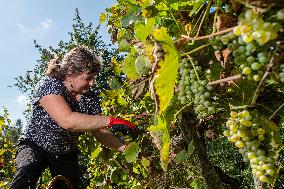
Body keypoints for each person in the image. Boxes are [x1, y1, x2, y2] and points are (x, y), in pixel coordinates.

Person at [11, 46, 136, 189]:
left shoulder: (90, 98)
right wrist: (111, 121)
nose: (92, 83)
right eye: (88, 78)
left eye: (94, 78)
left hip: (65, 151)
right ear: (71, 74)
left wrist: (125, 148)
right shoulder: (49, 85)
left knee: (68, 186)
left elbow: (100, 132)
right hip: (35, 144)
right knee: (26, 172)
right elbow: (67, 120)